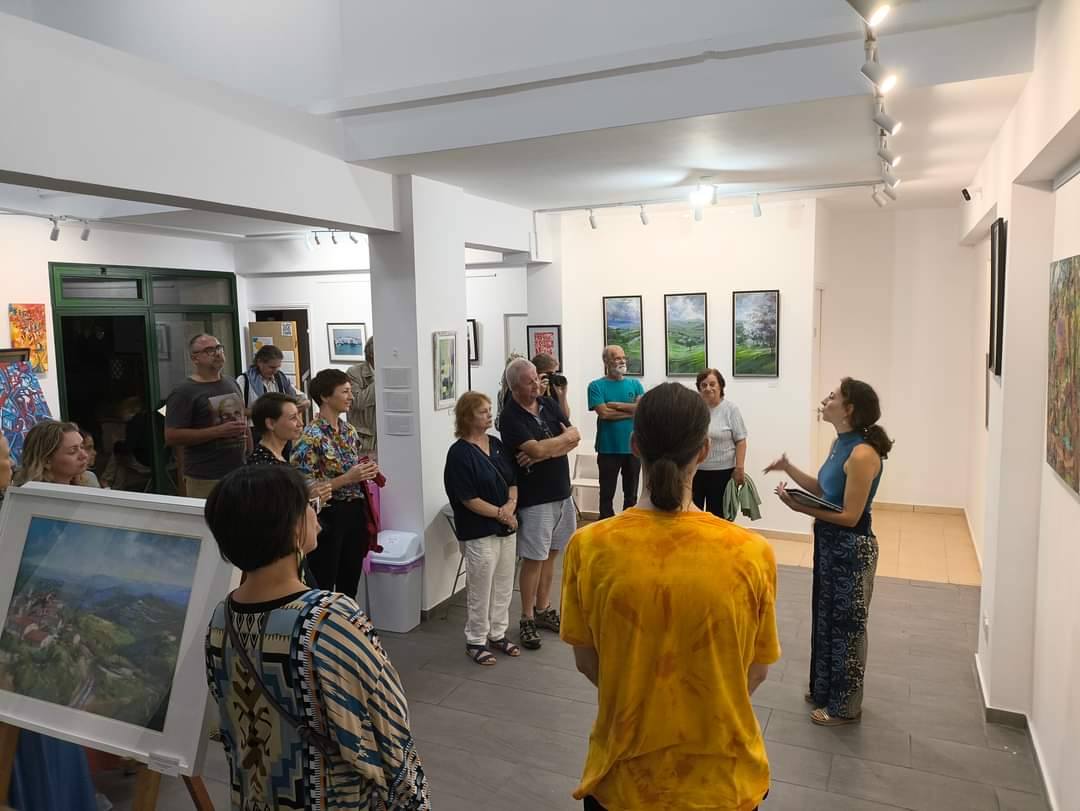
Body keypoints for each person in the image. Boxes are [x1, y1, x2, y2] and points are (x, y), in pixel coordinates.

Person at [560, 383, 780, 810]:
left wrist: (642, 694)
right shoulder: (751, 553)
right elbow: (756, 671)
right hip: (725, 780)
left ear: (634, 445)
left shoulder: (589, 547)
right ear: (703, 451)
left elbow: (588, 662)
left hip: (623, 781)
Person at [204, 465, 430, 810]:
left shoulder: (222, 618)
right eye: (309, 505)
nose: (315, 512)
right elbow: (388, 722)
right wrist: (414, 799)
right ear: (292, 527)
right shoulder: (330, 618)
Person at [765, 377, 892, 726]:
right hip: (829, 544)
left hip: (852, 549)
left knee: (847, 628)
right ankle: (824, 690)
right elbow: (825, 489)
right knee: (825, 620)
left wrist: (800, 508)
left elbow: (851, 516)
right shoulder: (841, 444)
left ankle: (844, 707)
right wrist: (789, 469)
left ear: (849, 409)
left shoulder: (863, 454)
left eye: (832, 397)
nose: (825, 401)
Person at [2, 431, 100, 811]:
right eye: (72, 451)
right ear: (46, 458)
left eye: (83, 449)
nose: (83, 457)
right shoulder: (25, 507)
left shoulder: (88, 489)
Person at [498, 358, 581, 650]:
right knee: (534, 558)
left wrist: (544, 452)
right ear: (514, 387)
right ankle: (527, 617)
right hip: (536, 498)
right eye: (529, 381)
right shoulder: (510, 417)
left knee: (552, 555)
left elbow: (575, 435)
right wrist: (557, 443)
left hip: (561, 491)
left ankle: (544, 608)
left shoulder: (547, 404)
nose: (536, 385)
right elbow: (535, 448)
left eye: (537, 378)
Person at [444, 392, 521, 665]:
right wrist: (503, 514)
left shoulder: (496, 444)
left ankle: (498, 633)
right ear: (467, 417)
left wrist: (510, 505)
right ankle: (476, 639)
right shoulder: (459, 454)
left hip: (506, 527)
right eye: (483, 411)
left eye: (490, 410)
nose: (489, 415)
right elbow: (468, 498)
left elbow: (513, 481)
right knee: (480, 586)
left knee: (504, 583)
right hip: (479, 529)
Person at [291, 369, 381, 598]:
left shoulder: (349, 431)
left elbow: (353, 467)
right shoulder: (310, 436)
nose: (351, 397)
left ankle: (346, 618)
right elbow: (304, 487)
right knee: (323, 581)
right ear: (325, 396)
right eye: (345, 392)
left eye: (350, 391)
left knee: (350, 580)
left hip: (354, 511)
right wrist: (347, 478)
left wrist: (366, 470)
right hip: (327, 516)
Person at [164, 333, 250, 498]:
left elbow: (242, 420)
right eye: (209, 350)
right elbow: (171, 436)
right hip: (205, 477)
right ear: (195, 358)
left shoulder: (231, 383)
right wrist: (218, 432)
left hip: (238, 472)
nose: (217, 353)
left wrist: (249, 454)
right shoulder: (184, 391)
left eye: (219, 348)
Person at [587, 345, 644, 519]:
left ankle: (629, 525)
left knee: (631, 495)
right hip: (608, 449)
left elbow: (641, 409)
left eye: (623, 357)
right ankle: (605, 525)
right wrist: (631, 411)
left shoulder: (635, 384)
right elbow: (604, 413)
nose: (622, 361)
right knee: (606, 494)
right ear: (606, 361)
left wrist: (616, 405)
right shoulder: (596, 386)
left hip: (633, 449)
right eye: (617, 358)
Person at [692, 368, 748, 517]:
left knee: (718, 517)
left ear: (721, 386)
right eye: (703, 385)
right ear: (699, 388)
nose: (708, 388)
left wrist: (739, 467)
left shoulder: (730, 409)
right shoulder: (694, 409)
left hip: (722, 473)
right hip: (695, 472)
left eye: (712, 384)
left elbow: (741, 441)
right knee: (694, 517)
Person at [237, 344, 306, 443]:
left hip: (280, 429)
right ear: (259, 362)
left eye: (278, 367)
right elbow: (238, 410)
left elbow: (299, 397)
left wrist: (303, 404)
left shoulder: (280, 378)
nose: (275, 371)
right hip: (256, 430)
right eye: (271, 367)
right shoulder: (244, 380)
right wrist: (264, 412)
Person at [13, 420, 92, 486]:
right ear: (46, 461)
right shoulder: (26, 496)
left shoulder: (90, 481)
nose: (84, 455)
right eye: (73, 451)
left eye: (82, 447)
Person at [346, 335, 378, 456]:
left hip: (387, 438)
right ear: (372, 354)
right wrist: (381, 378)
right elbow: (357, 402)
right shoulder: (354, 372)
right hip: (364, 442)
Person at [532, 352, 570, 419]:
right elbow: (532, 416)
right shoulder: (529, 389)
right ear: (537, 373)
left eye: (555, 373)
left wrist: (562, 397)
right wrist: (539, 394)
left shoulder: (553, 387)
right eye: (550, 374)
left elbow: (566, 417)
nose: (552, 376)